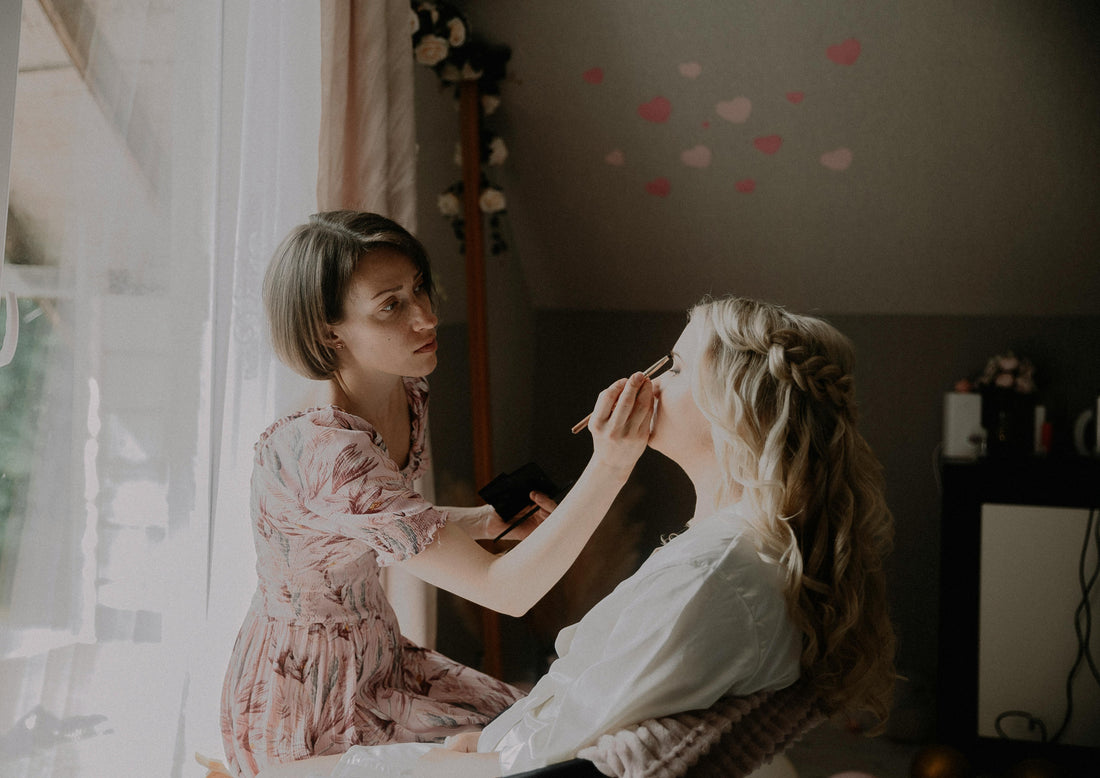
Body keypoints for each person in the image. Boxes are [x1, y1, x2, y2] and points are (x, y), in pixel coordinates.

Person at [351, 295, 897, 777]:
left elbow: (561, 760)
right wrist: (490, 741)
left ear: (733, 408)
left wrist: (459, 763)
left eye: (675, 367)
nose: (648, 381)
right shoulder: (734, 553)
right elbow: (578, 719)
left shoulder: (711, 575)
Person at [219, 211, 655, 777]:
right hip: (305, 703)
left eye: (419, 288)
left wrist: (483, 521)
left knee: (540, 725)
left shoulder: (408, 391)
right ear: (330, 331)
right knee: (526, 758)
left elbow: (379, 524)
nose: (426, 316)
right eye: (391, 305)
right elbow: (506, 592)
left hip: (382, 655)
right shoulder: (326, 451)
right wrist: (612, 463)